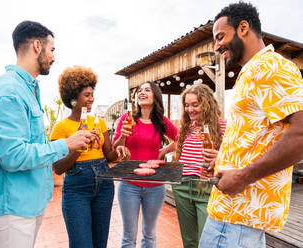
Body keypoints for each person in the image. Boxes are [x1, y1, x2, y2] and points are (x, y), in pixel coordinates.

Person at [0, 21, 92, 248]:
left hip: (26, 205)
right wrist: (65, 145)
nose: (53, 57)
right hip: (12, 209)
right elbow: (13, 156)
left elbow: (29, 144)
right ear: (37, 46)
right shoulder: (8, 92)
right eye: (52, 50)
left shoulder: (25, 89)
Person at [199, 2, 303, 248]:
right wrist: (224, 160)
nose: (216, 45)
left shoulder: (271, 67)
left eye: (220, 36)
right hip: (235, 215)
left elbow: (301, 133)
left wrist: (243, 177)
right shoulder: (252, 72)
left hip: (238, 218)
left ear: (243, 27)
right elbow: (259, 136)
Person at [50, 66, 130, 248]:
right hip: (76, 190)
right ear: (73, 98)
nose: (91, 99)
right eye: (86, 95)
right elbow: (58, 168)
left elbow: (109, 156)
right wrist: (79, 147)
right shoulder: (61, 127)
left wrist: (121, 142)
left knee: (100, 243)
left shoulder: (99, 122)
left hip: (104, 185)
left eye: (92, 94)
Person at [113, 81, 178, 248]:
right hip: (129, 185)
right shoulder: (127, 119)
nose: (142, 92)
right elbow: (115, 148)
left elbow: (181, 138)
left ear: (155, 95)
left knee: (149, 234)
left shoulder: (161, 121)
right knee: (129, 236)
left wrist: (163, 152)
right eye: (139, 91)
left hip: (155, 186)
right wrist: (122, 137)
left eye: (147, 90)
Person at [171, 84, 226, 248]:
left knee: (207, 241)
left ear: (207, 103)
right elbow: (177, 150)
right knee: (189, 241)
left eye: (195, 104)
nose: (190, 109)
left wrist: (221, 157)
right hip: (182, 186)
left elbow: (235, 157)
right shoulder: (187, 128)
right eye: (187, 105)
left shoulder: (223, 126)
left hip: (206, 188)